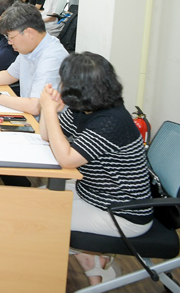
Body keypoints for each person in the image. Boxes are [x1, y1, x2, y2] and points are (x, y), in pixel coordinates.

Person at [39, 52, 152, 286]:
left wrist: (49, 110)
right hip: (93, 194)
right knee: (30, 201)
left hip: (122, 212)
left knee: (39, 217)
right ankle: (91, 262)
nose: (61, 86)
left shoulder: (112, 121)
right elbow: (47, 135)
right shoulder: (84, 108)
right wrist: (49, 109)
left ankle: (85, 262)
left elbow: (66, 159)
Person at [0, 2, 68, 115]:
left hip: (43, 122)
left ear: (29, 32)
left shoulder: (52, 57)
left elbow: (35, 106)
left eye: (11, 37)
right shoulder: (30, 47)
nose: (9, 42)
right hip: (27, 114)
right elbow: (10, 75)